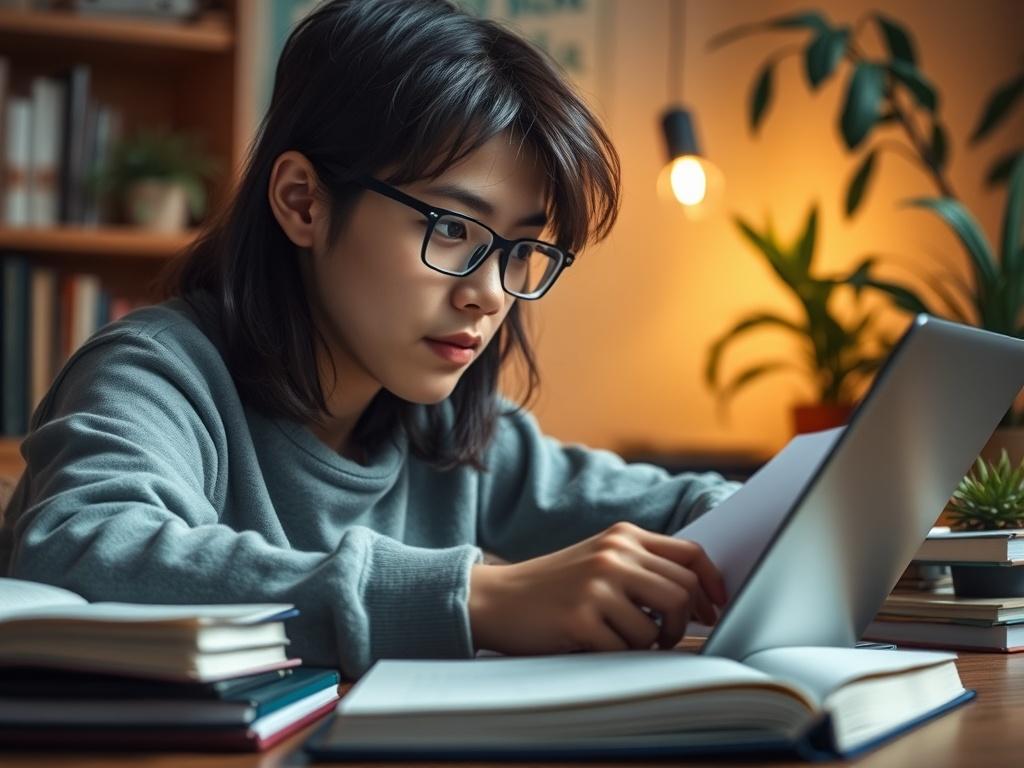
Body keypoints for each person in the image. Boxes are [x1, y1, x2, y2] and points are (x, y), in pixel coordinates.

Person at [0, 0, 740, 679]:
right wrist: (476, 598)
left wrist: (780, 530)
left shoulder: (449, 429)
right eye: (452, 229)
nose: (489, 292)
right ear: (304, 202)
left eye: (522, 249)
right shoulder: (157, 373)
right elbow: (83, 543)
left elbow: (685, 507)